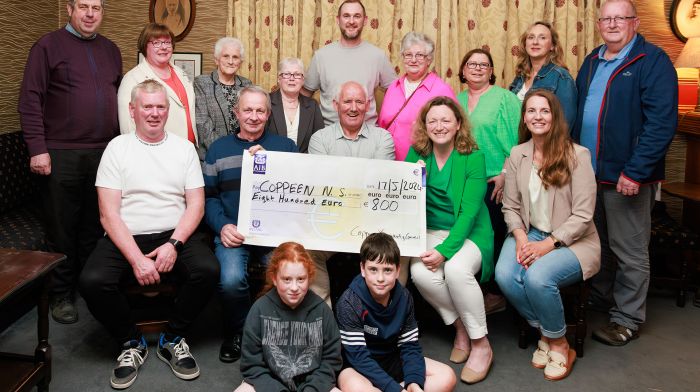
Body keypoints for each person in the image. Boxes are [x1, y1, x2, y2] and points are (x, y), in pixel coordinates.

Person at [79, 80, 219, 389]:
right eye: (147, 107)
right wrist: (137, 260)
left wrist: (173, 244)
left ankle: (173, 337)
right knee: (92, 281)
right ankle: (131, 342)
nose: (154, 114)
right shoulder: (117, 148)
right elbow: (108, 214)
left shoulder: (184, 149)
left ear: (168, 111)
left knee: (208, 271)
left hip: (174, 232)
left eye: (160, 107)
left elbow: (196, 205)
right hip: (126, 234)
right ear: (132, 110)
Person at [572, 0, 678, 346]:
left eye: (621, 18)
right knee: (597, 243)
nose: (613, 24)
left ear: (634, 23)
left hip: (626, 177)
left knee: (629, 250)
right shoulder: (592, 60)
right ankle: (603, 298)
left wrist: (635, 171)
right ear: (599, 24)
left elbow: (661, 123)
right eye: (607, 18)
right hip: (590, 174)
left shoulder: (652, 61)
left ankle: (627, 318)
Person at [18, 0, 122, 324]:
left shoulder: (111, 50)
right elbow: (30, 99)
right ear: (69, 9)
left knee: (96, 226)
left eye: (97, 7)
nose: (90, 14)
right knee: (62, 229)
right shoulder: (47, 46)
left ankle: (87, 289)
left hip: (104, 152)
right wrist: (37, 148)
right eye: (83, 6)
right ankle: (60, 295)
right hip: (60, 152)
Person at [495, 90, 600, 381]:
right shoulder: (518, 154)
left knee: (537, 278)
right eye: (531, 111)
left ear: (555, 117)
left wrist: (547, 245)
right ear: (524, 117)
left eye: (544, 111)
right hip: (529, 233)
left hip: (572, 241)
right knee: (504, 274)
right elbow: (511, 206)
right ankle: (549, 335)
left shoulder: (577, 155)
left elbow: (583, 215)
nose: (537, 117)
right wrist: (521, 238)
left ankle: (559, 342)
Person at [203, 86, 298, 364]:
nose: (253, 116)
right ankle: (239, 333)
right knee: (231, 280)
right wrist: (222, 226)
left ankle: (279, 334)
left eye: (260, 110)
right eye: (248, 110)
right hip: (234, 233)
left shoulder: (285, 147)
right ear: (237, 113)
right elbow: (209, 197)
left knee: (290, 276)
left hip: (274, 234)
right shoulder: (218, 149)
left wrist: (271, 162)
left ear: (268, 114)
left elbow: (300, 189)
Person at [405, 97, 494, 385]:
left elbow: (468, 215)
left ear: (458, 125)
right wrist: (413, 175)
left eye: (446, 120)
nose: (439, 126)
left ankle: (481, 343)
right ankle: (461, 328)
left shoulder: (474, 157)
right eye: (433, 120)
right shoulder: (416, 152)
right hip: (430, 230)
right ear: (425, 125)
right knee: (420, 273)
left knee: (456, 270)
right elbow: (404, 197)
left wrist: (444, 252)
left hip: (469, 233)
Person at [307, 81, 396, 306]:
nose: (353, 107)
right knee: (307, 251)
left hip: (373, 223)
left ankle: (382, 318)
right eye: (347, 101)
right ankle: (325, 317)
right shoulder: (320, 139)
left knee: (395, 252)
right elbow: (322, 183)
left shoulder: (383, 138)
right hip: (332, 222)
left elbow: (379, 183)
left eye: (359, 102)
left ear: (368, 105)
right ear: (336, 105)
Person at [336, 233, 456, 392]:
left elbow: (409, 346)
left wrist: (414, 382)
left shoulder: (404, 297)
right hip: (358, 367)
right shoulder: (349, 302)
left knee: (447, 376)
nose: (380, 278)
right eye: (373, 269)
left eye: (387, 270)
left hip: (392, 358)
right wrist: (395, 389)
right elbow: (359, 358)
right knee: (357, 388)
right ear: (362, 269)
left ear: (398, 270)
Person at [457, 48, 521, 315]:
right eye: (471, 63)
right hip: (464, 179)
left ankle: (495, 293)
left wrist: (506, 174)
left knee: (493, 234)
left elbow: (519, 140)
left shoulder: (505, 98)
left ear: (492, 71)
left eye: (484, 64)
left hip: (495, 179)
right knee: (469, 236)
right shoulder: (456, 99)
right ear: (463, 70)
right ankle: (473, 290)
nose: (477, 68)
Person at [236, 242, 342, 392]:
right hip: (270, 385)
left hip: (313, 386)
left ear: (309, 278)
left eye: (301, 279)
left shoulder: (321, 310)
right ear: (274, 278)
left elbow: (331, 360)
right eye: (287, 279)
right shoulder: (259, 309)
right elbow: (252, 365)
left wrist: (312, 388)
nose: (294, 288)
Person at [302, 0, 397, 125]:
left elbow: (396, 94)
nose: (351, 21)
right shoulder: (321, 56)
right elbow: (304, 96)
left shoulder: (378, 56)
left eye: (357, 16)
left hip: (368, 134)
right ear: (338, 20)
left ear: (365, 20)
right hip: (329, 133)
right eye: (346, 16)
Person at [377, 32, 457, 161]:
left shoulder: (441, 89)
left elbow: (453, 130)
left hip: (423, 163)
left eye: (420, 55)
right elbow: (382, 125)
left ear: (429, 59)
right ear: (402, 57)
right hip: (388, 162)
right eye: (408, 54)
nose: (413, 60)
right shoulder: (393, 87)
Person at [118, 23, 197, 144]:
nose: (163, 47)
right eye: (156, 43)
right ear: (145, 46)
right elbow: (127, 128)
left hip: (188, 150)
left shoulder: (180, 73)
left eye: (167, 42)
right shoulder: (132, 79)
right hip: (156, 152)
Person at [508, 21, 577, 129]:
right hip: (519, 143)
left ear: (552, 46)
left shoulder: (562, 77)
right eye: (531, 37)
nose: (535, 42)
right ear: (525, 44)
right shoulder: (520, 77)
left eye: (542, 38)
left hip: (546, 145)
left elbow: (565, 125)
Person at [194, 37, 252, 160]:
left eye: (235, 57)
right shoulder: (202, 83)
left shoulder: (247, 84)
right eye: (226, 56)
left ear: (240, 62)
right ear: (217, 60)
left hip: (242, 155)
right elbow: (202, 123)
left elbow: (251, 121)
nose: (230, 61)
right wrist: (225, 151)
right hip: (212, 156)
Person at [265, 57, 324, 153]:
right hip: (273, 162)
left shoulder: (312, 106)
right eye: (287, 74)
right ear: (279, 78)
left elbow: (320, 139)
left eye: (297, 74)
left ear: (303, 80)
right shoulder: (266, 102)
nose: (292, 78)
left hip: (304, 164)